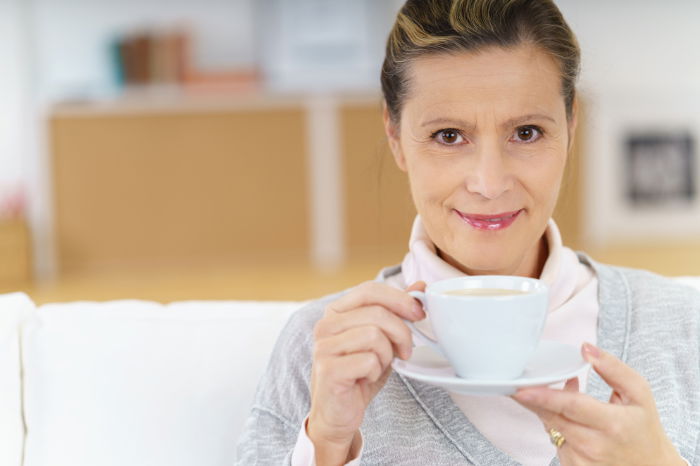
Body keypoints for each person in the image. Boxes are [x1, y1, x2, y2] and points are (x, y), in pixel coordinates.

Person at [235, 0, 700, 464]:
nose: (489, 183)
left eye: (527, 132)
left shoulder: (682, 327)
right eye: (449, 136)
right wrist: (327, 445)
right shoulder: (321, 349)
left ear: (570, 127)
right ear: (395, 136)